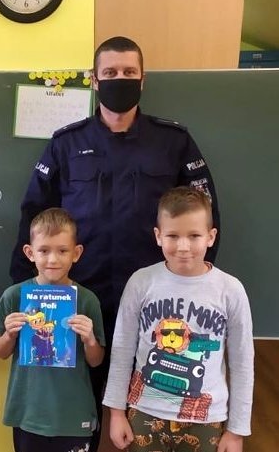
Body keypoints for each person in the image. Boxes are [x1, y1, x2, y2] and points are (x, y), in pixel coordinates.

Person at [9, 35, 220, 448]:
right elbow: (33, 217)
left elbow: (205, 213)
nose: (119, 79)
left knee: (148, 412)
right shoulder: (66, 144)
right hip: (77, 303)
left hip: (154, 307)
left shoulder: (173, 141)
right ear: (94, 79)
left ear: (143, 79)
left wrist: (195, 287)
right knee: (77, 411)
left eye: (128, 72)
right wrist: (24, 292)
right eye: (110, 72)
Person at [103, 187, 253, 452]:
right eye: (173, 235)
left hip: (206, 418)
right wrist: (116, 412)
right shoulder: (141, 282)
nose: (183, 247)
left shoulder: (230, 290)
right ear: (158, 236)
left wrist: (237, 431)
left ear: (211, 237)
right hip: (144, 411)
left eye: (194, 235)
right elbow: (122, 349)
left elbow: (242, 363)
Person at [0, 207, 105, 452]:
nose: (53, 260)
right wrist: (10, 334)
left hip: (73, 415)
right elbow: (0, 352)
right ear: (30, 253)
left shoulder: (87, 300)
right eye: (44, 251)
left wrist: (90, 340)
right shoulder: (15, 296)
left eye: (62, 251)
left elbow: (96, 361)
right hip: (29, 414)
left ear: (76, 253)